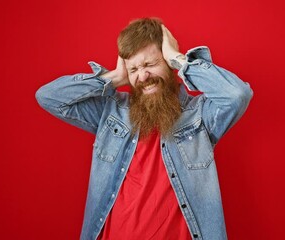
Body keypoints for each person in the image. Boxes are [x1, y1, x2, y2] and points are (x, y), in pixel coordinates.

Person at [36, 18, 253, 240]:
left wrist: (178, 59)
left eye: (150, 64)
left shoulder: (200, 116)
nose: (142, 77)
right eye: (133, 70)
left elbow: (237, 95)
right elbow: (49, 97)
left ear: (167, 63)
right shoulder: (112, 113)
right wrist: (113, 78)